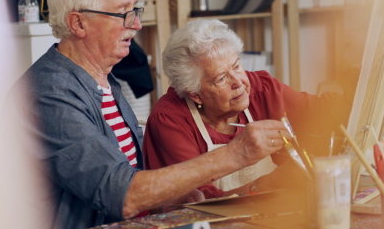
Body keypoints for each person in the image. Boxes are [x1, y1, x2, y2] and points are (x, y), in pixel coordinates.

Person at [9, 0, 289, 229]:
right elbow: (121, 195)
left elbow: (127, 185)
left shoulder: (106, 82)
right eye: (123, 14)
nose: (137, 24)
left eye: (136, 10)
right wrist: (236, 154)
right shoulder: (47, 93)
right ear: (78, 23)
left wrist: (166, 200)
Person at [142, 19, 350, 199]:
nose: (239, 82)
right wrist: (266, 185)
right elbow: (199, 204)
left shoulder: (260, 88)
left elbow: (323, 113)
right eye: (221, 78)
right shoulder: (169, 120)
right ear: (195, 94)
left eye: (236, 66)